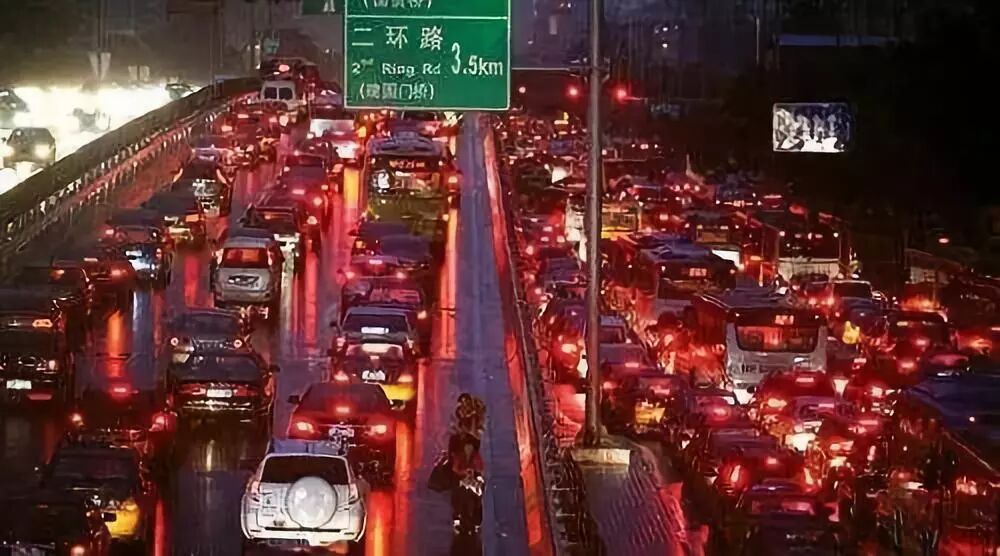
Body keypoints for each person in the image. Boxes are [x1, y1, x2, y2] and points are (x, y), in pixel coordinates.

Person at [449, 432, 484, 534]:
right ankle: (459, 518)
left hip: (471, 482)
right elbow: (455, 468)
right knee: (460, 496)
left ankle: (474, 520)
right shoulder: (460, 455)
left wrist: (473, 474)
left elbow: (479, 468)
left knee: (474, 497)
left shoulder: (475, 456)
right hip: (462, 481)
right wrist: (465, 473)